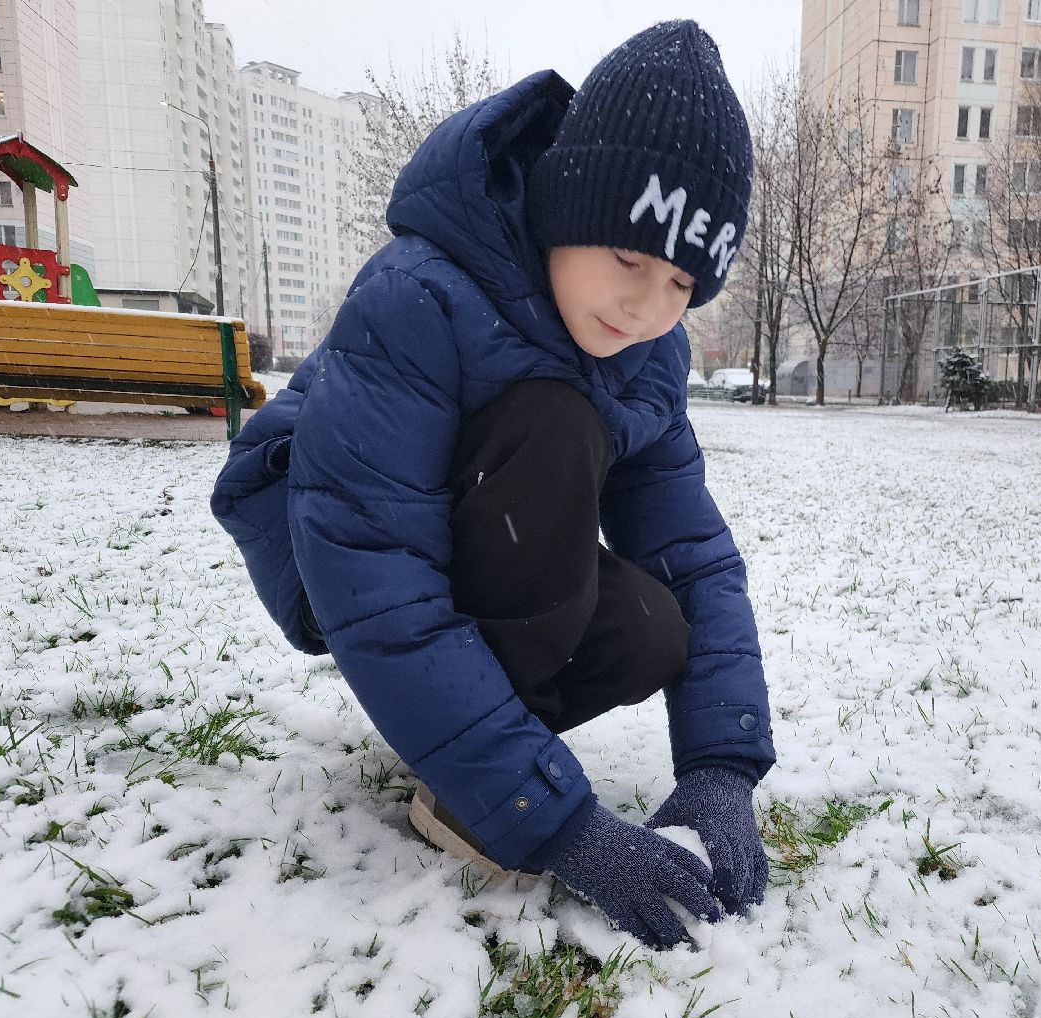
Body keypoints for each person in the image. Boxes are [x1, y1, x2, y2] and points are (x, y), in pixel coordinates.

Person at [211, 20, 775, 951]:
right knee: (552, 421)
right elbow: (372, 568)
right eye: (628, 259)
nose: (646, 307)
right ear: (564, 208)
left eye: (682, 282)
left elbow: (692, 553)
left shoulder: (646, 358)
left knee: (651, 625)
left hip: (469, 551)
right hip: (337, 550)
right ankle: (479, 788)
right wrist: (554, 820)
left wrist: (722, 764)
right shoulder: (420, 298)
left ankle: (460, 743)